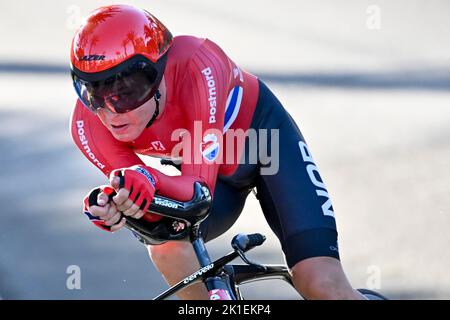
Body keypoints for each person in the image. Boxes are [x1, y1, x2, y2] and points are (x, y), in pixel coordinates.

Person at [70, 4, 364, 300]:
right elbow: (143, 195)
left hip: (268, 149)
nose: (111, 112)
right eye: (93, 92)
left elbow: (197, 191)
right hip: (208, 171)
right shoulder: (87, 124)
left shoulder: (199, 64)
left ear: (158, 74)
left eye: (128, 91)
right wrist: (119, 204)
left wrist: (145, 177)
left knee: (320, 283)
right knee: (166, 245)